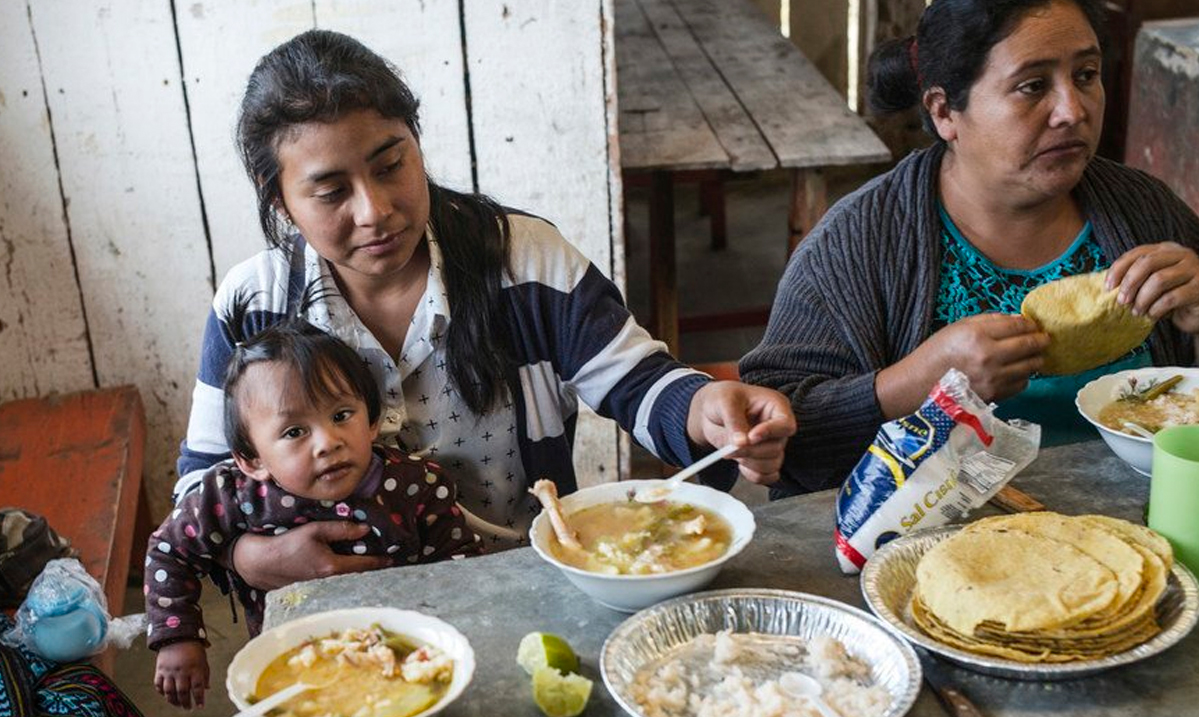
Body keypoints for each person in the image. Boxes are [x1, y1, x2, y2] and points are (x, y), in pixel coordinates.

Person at [175, 30, 796, 592]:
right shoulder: (252, 306)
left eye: (392, 165)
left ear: (416, 143)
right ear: (279, 200)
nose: (375, 210)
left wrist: (705, 408)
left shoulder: (525, 261)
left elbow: (636, 384)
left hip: (522, 583)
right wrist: (249, 557)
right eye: (331, 191)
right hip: (337, 615)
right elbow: (198, 488)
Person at [740, 0, 1199, 499]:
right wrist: (916, 382)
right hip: (930, 560)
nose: (1072, 109)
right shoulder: (858, 243)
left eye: (1086, 76)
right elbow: (772, 443)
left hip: (1143, 531)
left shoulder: (1143, 210)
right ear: (945, 112)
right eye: (1032, 86)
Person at [150, 304, 480, 709]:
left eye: (342, 415)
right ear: (251, 460)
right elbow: (169, 550)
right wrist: (179, 637)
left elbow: (461, 565)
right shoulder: (232, 496)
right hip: (293, 668)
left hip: (407, 659)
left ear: (372, 420)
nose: (328, 441)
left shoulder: (418, 485)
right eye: (294, 431)